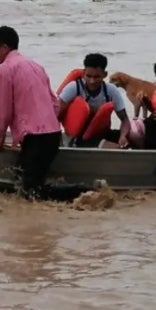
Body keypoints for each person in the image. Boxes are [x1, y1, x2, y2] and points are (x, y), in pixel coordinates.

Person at [0, 26, 62, 199]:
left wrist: (0, 139)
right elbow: (55, 104)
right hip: (53, 134)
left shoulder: (5, 69)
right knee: (28, 186)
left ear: (4, 47)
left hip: (36, 138)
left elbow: (3, 112)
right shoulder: (36, 66)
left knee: (29, 192)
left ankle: (82, 191)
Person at [57, 53, 132, 148]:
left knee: (135, 136)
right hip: (80, 138)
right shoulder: (74, 87)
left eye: (97, 77)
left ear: (105, 74)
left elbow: (124, 119)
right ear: (84, 73)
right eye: (88, 76)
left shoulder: (111, 90)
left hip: (102, 133)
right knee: (116, 148)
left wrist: (123, 136)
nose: (92, 81)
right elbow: (56, 114)